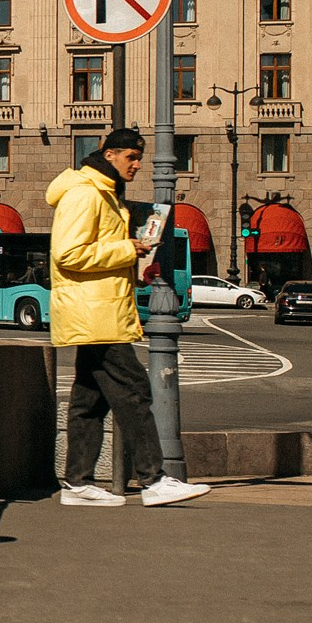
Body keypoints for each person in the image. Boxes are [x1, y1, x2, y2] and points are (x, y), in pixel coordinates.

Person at [44, 127, 209, 507]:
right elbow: (67, 254)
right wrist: (126, 249)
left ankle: (78, 484)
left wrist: (135, 266)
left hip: (98, 309)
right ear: (109, 154)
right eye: (130, 158)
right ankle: (154, 481)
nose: (137, 165)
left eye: (140, 158)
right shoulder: (86, 194)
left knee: (89, 402)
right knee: (134, 391)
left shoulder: (105, 194)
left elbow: (93, 254)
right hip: (95, 313)